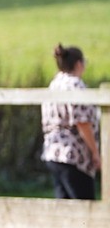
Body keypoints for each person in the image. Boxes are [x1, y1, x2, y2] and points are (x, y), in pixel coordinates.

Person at [41, 44, 100, 199]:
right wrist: (95, 152)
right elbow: (82, 123)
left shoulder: (54, 84)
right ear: (79, 64)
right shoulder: (75, 85)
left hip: (53, 151)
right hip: (73, 155)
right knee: (84, 205)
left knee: (64, 205)